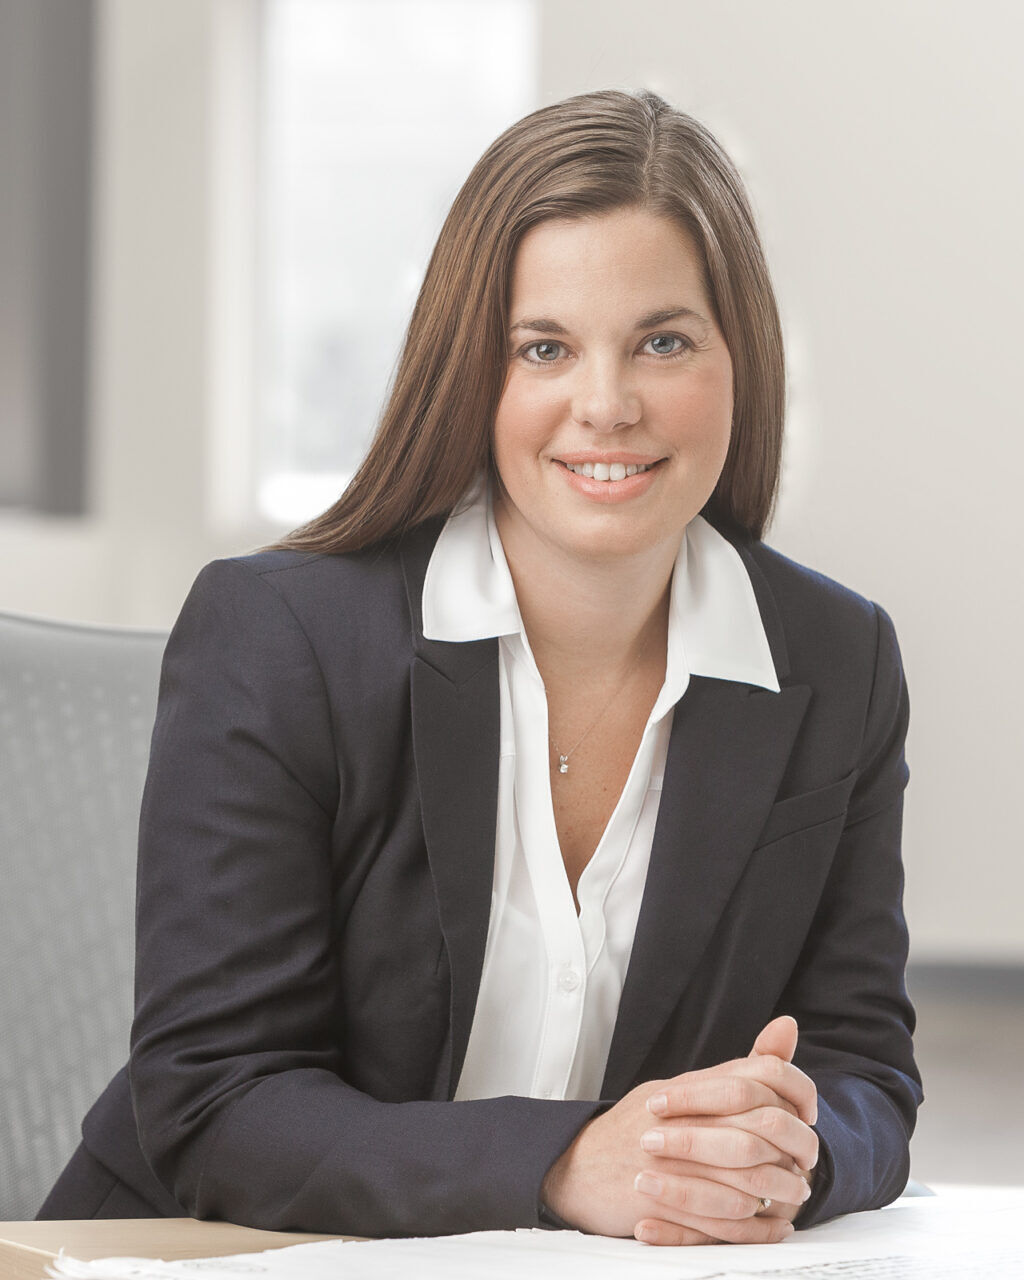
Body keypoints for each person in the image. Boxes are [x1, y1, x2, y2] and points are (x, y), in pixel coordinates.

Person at [39, 88, 921, 1247]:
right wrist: (562, 1164)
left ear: (738, 358)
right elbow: (213, 1097)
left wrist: (789, 1146)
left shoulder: (836, 658)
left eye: (663, 340)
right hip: (221, 1255)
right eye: (543, 347)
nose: (605, 405)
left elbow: (863, 1065)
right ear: (473, 369)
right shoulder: (284, 635)